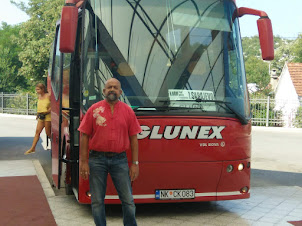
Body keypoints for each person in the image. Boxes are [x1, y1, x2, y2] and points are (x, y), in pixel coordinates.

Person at [78, 78, 141, 226]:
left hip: (120, 160)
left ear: (120, 92)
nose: (112, 89)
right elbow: (84, 136)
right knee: (97, 201)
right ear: (104, 91)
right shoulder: (94, 109)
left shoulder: (128, 111)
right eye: (109, 87)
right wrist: (84, 162)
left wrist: (135, 163)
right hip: (96, 160)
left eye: (115, 87)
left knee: (128, 200)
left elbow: (134, 139)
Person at [24, 83, 51, 155]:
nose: (37, 91)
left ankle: (55, 145)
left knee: (48, 132)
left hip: (48, 116)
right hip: (41, 116)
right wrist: (37, 114)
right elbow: (40, 106)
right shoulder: (39, 96)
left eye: (38, 89)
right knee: (37, 132)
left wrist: (47, 111)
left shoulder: (48, 96)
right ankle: (33, 148)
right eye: (36, 89)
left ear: (42, 89)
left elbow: (53, 105)